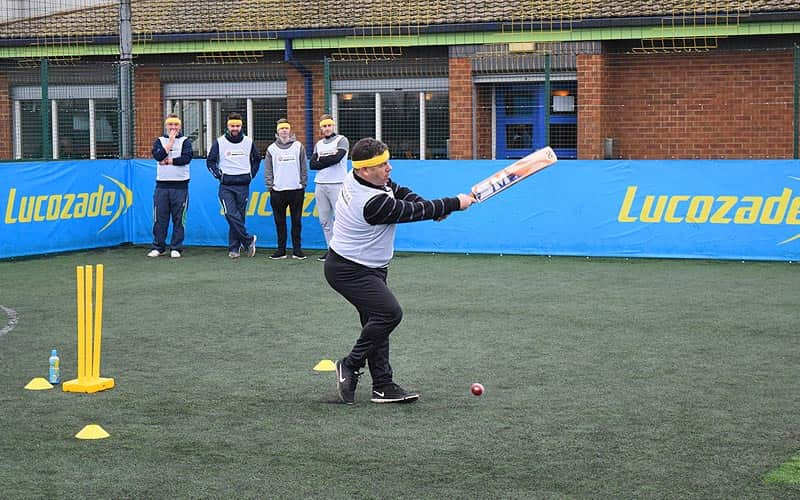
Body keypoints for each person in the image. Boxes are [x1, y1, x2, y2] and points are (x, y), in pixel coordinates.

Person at [325, 137, 475, 405]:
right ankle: (349, 364)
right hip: (349, 270)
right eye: (382, 165)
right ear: (364, 170)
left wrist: (432, 209)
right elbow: (410, 211)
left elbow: (399, 191)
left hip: (368, 267)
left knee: (376, 324)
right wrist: (453, 203)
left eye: (387, 162)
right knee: (389, 314)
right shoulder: (370, 202)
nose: (389, 168)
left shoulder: (359, 176)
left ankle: (382, 386)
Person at [206, 112, 261, 259]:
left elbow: (257, 159)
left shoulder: (248, 142)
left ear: (241, 126)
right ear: (227, 126)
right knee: (230, 214)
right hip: (226, 185)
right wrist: (219, 175)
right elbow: (210, 161)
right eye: (232, 125)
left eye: (237, 125)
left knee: (238, 217)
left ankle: (234, 248)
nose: (235, 128)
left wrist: (251, 174)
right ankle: (248, 240)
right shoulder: (220, 141)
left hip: (243, 184)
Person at [148, 114, 193, 258]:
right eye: (170, 125)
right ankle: (158, 247)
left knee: (179, 219)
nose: (173, 128)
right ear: (166, 126)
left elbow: (186, 158)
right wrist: (170, 143)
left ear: (180, 126)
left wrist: (169, 161)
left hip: (180, 186)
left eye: (176, 125)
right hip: (162, 186)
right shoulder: (160, 141)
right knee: (160, 218)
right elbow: (158, 156)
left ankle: (176, 248)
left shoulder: (186, 141)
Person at [264, 119, 308, 260]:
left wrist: (302, 184)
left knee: (296, 221)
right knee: (279, 222)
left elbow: (303, 166)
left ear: (290, 130)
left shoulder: (298, 146)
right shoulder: (271, 149)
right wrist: (270, 186)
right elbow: (268, 170)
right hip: (277, 191)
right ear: (277, 131)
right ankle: (281, 250)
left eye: (286, 128)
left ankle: (297, 250)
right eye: (281, 128)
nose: (284, 131)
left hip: (296, 190)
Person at [310, 114, 349, 262]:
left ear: (333, 126)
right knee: (324, 220)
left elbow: (337, 158)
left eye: (329, 125)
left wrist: (322, 160)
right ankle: (331, 250)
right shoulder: (319, 144)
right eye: (324, 126)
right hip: (320, 184)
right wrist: (328, 160)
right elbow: (312, 164)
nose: (326, 129)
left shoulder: (342, 140)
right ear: (321, 128)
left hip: (337, 184)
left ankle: (343, 251)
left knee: (340, 219)